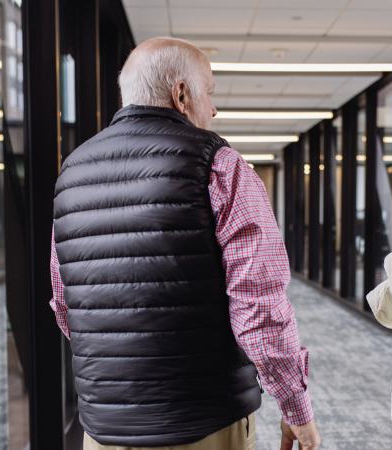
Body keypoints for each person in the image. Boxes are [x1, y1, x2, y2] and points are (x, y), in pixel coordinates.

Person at [49, 37, 321, 450]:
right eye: (209, 92)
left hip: (104, 430)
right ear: (180, 94)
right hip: (203, 423)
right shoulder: (220, 165)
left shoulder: (71, 174)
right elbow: (259, 307)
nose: (213, 109)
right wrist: (296, 407)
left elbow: (67, 304)